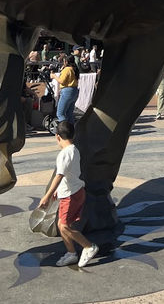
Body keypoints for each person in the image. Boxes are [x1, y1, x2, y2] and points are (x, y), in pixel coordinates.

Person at [38, 121, 99, 267]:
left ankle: (89, 247)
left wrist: (47, 196)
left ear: (57, 137)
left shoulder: (64, 154)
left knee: (65, 226)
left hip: (71, 195)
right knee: (61, 224)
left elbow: (59, 175)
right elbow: (68, 174)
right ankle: (71, 253)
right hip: (73, 192)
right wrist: (58, 191)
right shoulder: (74, 149)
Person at [54, 55, 80, 124]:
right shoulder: (74, 69)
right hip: (74, 91)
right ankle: (71, 131)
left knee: (60, 114)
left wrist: (54, 76)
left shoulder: (67, 69)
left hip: (67, 91)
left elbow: (61, 81)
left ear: (66, 62)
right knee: (69, 114)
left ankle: (64, 130)